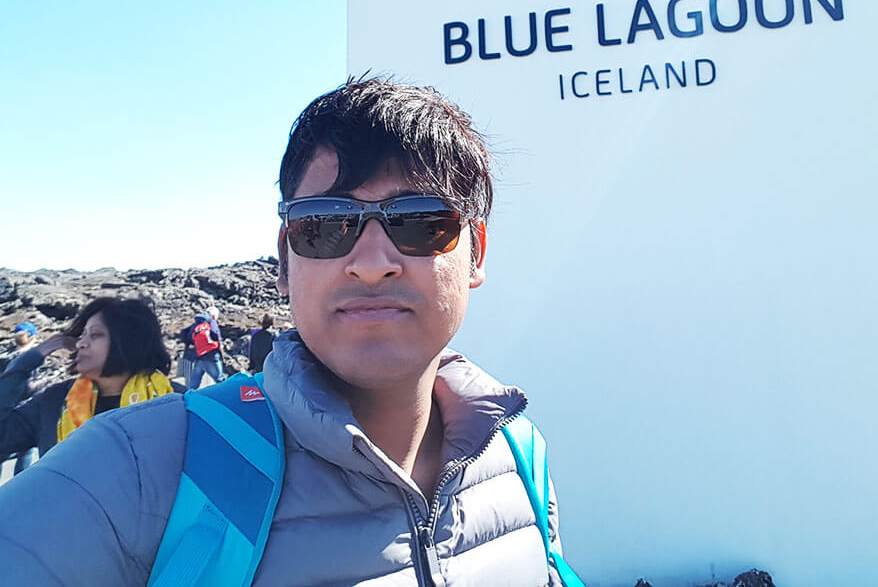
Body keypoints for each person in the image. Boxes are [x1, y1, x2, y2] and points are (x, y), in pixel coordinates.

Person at [0, 78, 570, 585]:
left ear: (476, 253)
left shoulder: (519, 458)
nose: (372, 262)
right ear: (284, 258)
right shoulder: (137, 468)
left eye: (421, 223)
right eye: (323, 225)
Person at [0, 298, 181, 465]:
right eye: (82, 334)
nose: (80, 344)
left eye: (95, 335)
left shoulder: (177, 400)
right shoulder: (54, 401)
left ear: (129, 342)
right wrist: (33, 356)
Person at [0, 322, 40, 474]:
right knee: (25, 452)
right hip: (20, 413)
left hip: (2, 410)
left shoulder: (5, 356)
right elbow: (24, 389)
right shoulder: (28, 360)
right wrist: (45, 385)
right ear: (33, 337)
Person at [179, 305, 225, 388]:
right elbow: (215, 333)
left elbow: (184, 333)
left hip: (198, 355)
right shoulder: (211, 321)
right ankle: (224, 398)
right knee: (220, 380)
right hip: (211, 355)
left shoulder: (198, 323)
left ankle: (189, 397)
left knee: (194, 384)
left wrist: (189, 345)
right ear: (214, 315)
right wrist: (221, 349)